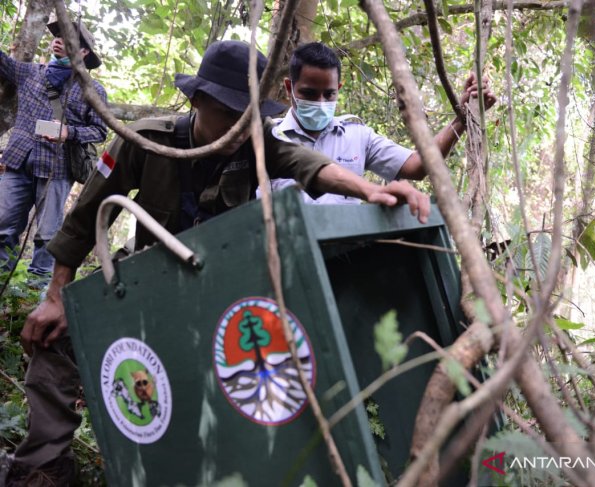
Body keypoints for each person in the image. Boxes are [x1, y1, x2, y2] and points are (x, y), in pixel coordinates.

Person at [6, 40, 429, 485]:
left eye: (248, 116)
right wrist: (56, 296)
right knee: (54, 341)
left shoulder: (256, 143)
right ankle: (45, 465)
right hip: (144, 279)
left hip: (220, 294)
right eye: (228, 113)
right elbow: (84, 218)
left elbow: (310, 164)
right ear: (197, 100)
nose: (239, 128)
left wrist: (371, 191)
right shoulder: (146, 141)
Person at [262, 42, 497, 204]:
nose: (320, 102)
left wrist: (462, 120)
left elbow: (418, 166)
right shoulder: (270, 141)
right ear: (289, 87)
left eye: (329, 94)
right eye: (310, 93)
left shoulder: (357, 136)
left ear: (339, 90)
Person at [0, 20, 107, 286]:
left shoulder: (92, 90)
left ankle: (34, 292)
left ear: (83, 52)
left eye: (68, 38)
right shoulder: (30, 73)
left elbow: (100, 131)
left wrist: (68, 132)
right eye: (58, 35)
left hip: (57, 170)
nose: (58, 39)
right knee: (3, 226)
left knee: (47, 236)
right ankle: (3, 283)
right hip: (17, 163)